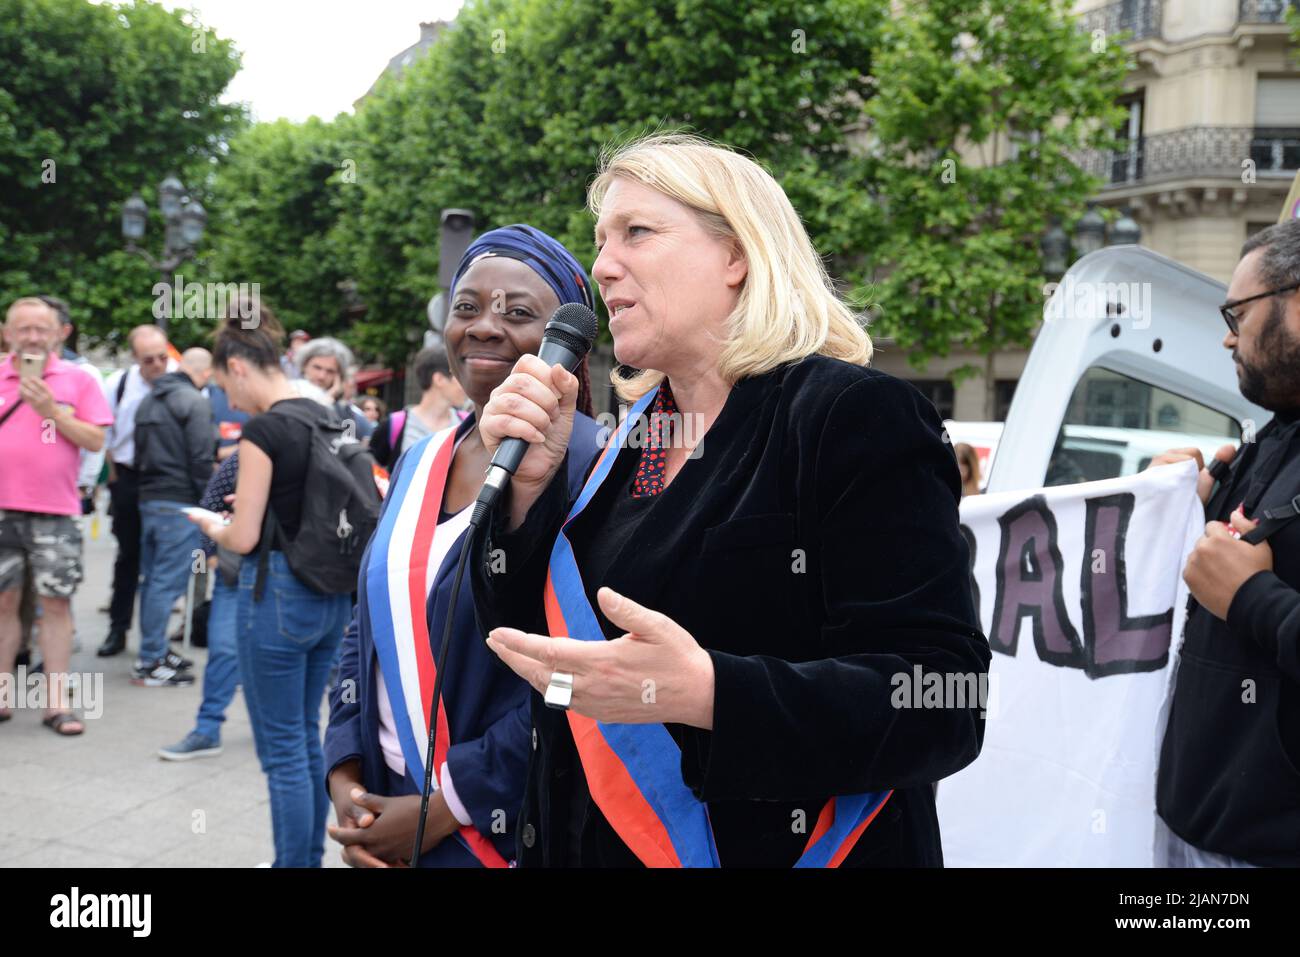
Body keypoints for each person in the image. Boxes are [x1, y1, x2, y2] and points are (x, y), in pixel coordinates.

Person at [469, 133, 989, 867]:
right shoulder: (632, 443)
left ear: (738, 255)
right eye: (600, 240)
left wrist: (713, 690)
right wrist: (527, 489)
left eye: (636, 233)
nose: (603, 265)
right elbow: (527, 641)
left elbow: (944, 696)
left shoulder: (851, 416)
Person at [323, 225, 606, 868]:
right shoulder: (419, 460)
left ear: (565, 345)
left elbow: (581, 673)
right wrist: (346, 776)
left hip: (498, 821)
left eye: (518, 312)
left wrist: (445, 806)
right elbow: (365, 624)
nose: (482, 326)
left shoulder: (593, 463)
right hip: (384, 804)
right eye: (467, 307)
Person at [1148, 218, 1300, 867]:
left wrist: (1253, 597)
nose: (1226, 335)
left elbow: (1247, 596)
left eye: (1237, 311)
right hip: (1190, 833)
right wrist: (1180, 510)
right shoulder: (1270, 440)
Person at [192, 299, 356, 867]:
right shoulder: (323, 415)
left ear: (236, 366)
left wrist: (212, 523)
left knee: (282, 751)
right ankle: (304, 857)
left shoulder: (264, 429)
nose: (228, 401)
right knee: (306, 741)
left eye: (223, 384)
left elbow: (241, 538)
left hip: (277, 597)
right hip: (330, 596)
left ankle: (295, 863)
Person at [161, 378, 337, 761]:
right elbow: (211, 501)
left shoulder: (331, 458)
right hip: (240, 572)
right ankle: (208, 728)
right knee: (225, 650)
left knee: (311, 674)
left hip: (300, 582)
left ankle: (297, 735)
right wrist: (211, 546)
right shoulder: (248, 453)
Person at [0, 297, 114, 735]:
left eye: (40, 329)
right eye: (22, 328)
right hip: (3, 510)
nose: (31, 336)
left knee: (56, 605)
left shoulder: (78, 380)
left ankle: (56, 703)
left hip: (55, 511)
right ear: (8, 333)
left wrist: (52, 412)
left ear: (58, 334)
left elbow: (95, 440)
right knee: (4, 604)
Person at [130, 347, 215, 686]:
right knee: (166, 584)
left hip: (149, 499)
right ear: (204, 373)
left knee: (153, 581)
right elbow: (200, 457)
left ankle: (155, 650)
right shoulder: (194, 402)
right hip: (179, 500)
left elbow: (137, 452)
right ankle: (151, 660)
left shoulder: (149, 401)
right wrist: (206, 501)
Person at [98, 325, 177, 658]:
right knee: (128, 556)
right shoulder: (118, 384)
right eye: (149, 359)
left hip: (167, 479)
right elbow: (104, 431)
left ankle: (155, 639)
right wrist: (113, 477)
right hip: (129, 478)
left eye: (162, 357)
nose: (157, 365)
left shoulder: (179, 382)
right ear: (135, 357)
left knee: (164, 561)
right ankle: (119, 628)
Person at [368, 344, 468, 471]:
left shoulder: (466, 424)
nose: (466, 385)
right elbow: (371, 472)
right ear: (439, 379)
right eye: (460, 376)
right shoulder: (395, 425)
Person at [296, 337, 375, 441]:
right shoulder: (286, 397)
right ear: (304, 366)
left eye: (330, 371)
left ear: (338, 376)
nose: (322, 376)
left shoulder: (345, 415)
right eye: (317, 367)